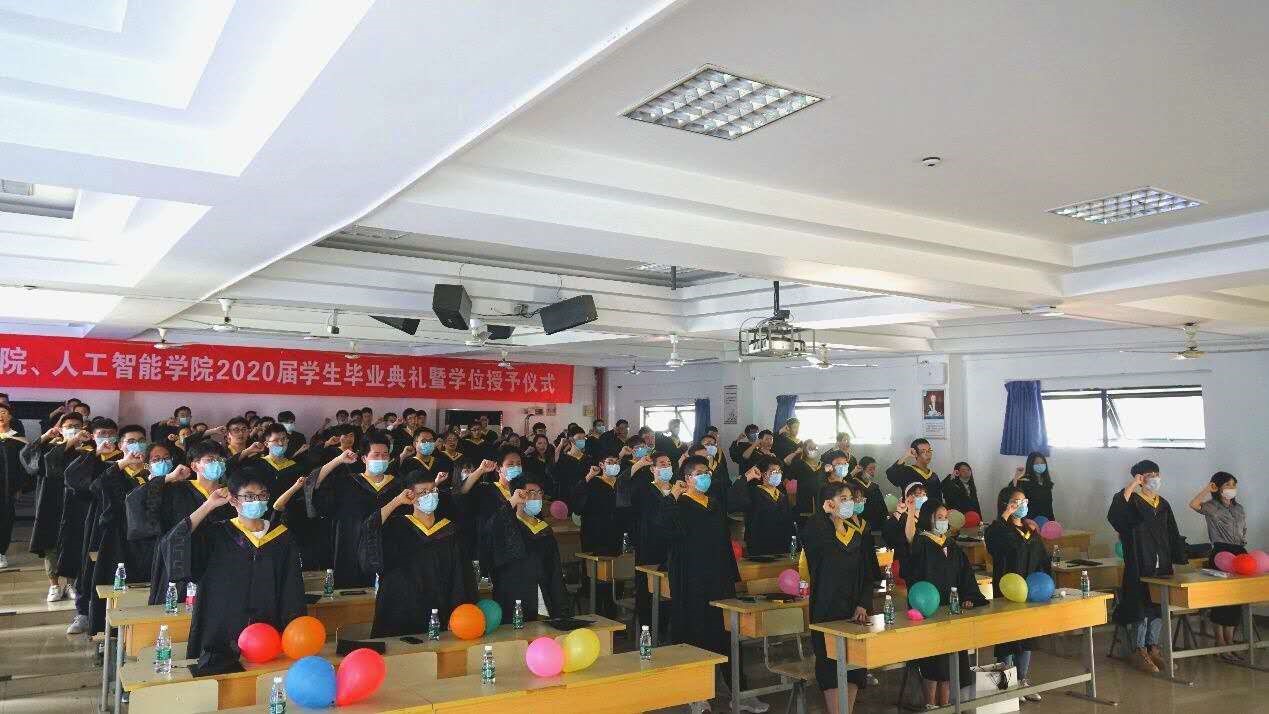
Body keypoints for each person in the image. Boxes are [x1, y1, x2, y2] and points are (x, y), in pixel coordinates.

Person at [159, 471, 305, 662]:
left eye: (262, 495)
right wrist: (209, 505)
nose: (257, 501)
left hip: (267, 631)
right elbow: (175, 540)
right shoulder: (217, 534)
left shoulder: (282, 538)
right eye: (249, 496)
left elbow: (292, 588)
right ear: (234, 500)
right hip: (221, 630)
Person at [659, 456, 765, 714]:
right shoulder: (679, 504)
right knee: (696, 632)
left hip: (719, 578)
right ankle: (697, 695)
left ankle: (739, 693)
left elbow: (724, 541)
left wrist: (731, 576)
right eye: (699, 473)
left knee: (727, 633)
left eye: (707, 471)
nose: (705, 476)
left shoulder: (713, 503)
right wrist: (671, 498)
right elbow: (665, 531)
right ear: (687, 479)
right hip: (692, 579)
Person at [358, 471, 470, 637]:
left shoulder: (449, 531)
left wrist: (457, 611)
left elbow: (460, 576)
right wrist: (396, 501)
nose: (430, 495)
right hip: (400, 609)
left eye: (433, 490)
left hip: (438, 610)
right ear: (411, 496)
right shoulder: (396, 527)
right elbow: (370, 527)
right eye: (423, 492)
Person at [803, 481, 879, 714]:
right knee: (831, 665)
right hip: (827, 609)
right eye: (843, 499)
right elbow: (817, 546)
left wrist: (863, 604)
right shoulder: (817, 530)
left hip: (854, 610)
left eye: (850, 499)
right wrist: (823, 516)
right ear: (829, 503)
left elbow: (867, 574)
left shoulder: (856, 535)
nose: (849, 503)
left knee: (855, 666)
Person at [130, 439, 235, 607]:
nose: (217, 463)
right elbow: (137, 500)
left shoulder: (230, 495)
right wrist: (169, 477)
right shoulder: (176, 490)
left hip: (217, 564)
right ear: (194, 466)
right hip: (179, 561)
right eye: (210, 460)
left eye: (220, 459)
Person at [906, 499, 988, 708]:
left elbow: (965, 576)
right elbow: (912, 570)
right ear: (929, 519)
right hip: (931, 611)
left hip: (952, 608)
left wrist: (969, 597)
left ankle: (946, 706)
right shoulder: (921, 543)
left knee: (951, 660)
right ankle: (931, 705)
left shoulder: (951, 545)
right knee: (933, 662)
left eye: (945, 517)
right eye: (939, 517)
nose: (943, 521)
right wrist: (911, 510)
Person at [1107, 460, 1186, 673]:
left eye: (1157, 474)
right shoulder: (1132, 500)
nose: (1155, 478)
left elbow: (1172, 531)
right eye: (1150, 475)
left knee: (1158, 607)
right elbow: (1115, 515)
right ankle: (1139, 649)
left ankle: (1154, 648)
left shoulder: (1163, 503)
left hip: (1162, 563)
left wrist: (1177, 556)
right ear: (1140, 478)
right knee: (1141, 607)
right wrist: (1133, 484)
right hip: (1140, 563)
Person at [83, 425, 153, 634]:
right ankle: (112, 635)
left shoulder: (153, 471)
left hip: (149, 542)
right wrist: (123, 463)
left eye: (141, 440)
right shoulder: (113, 471)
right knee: (119, 587)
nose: (137, 445)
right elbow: (95, 488)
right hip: (120, 541)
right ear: (120, 445)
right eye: (131, 441)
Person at [310, 433, 403, 587]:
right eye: (376, 455)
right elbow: (314, 484)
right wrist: (338, 460)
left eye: (385, 455)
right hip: (351, 552)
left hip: (389, 554)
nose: (381, 459)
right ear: (364, 458)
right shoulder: (346, 484)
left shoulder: (398, 486)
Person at [984, 488, 1049, 702]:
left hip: (1030, 591)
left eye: (1023, 501)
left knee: (1026, 636)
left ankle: (1022, 681)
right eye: (1016, 502)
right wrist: (1005, 514)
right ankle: (1006, 683)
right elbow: (992, 543)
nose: (1021, 506)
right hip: (1008, 591)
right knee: (1007, 636)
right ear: (1006, 504)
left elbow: (1042, 559)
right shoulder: (1000, 529)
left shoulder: (1031, 530)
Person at [62, 418, 122, 634]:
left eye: (111, 433)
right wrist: (96, 453)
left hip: (118, 525)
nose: (107, 438)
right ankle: (83, 614)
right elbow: (73, 480)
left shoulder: (126, 459)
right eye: (102, 433)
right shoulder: (86, 457)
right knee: (87, 569)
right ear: (93, 436)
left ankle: (113, 618)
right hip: (89, 521)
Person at [19, 413, 88, 600]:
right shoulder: (50, 448)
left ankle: (71, 583)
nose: (73, 429)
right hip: (50, 503)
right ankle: (54, 585)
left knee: (74, 542)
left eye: (77, 425)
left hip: (76, 504)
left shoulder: (86, 451)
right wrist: (45, 436)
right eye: (68, 426)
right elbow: (27, 456)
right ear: (61, 429)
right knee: (51, 544)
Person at [485, 473, 571, 622]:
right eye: (531, 493)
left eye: (539, 493)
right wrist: (511, 502)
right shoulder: (507, 525)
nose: (536, 498)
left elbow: (555, 569)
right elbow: (490, 529)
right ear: (518, 495)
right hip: (514, 595)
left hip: (542, 594)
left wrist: (561, 607)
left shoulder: (544, 529)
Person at [1189, 472, 1247, 660]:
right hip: (1222, 553)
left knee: (1236, 599)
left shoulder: (1239, 508)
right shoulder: (1212, 506)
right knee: (1222, 598)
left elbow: (1243, 530)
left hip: (1239, 552)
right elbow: (1193, 504)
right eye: (1227, 485)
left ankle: (1230, 641)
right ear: (1218, 486)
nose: (1232, 488)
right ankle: (1220, 642)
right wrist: (1208, 488)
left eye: (1234, 485)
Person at [630, 450, 675, 641]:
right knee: (647, 592)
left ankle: (666, 630)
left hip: (672, 548)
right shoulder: (645, 491)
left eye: (669, 463)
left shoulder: (678, 488)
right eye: (662, 464)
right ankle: (646, 632)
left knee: (670, 591)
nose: (666, 467)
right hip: (650, 547)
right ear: (652, 469)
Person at [0, 403, 30, 571]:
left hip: (7, 488)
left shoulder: (18, 439)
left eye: (3, 412)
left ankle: (1, 552)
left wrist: (20, 486)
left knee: (5, 519)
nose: (0, 415)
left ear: (10, 416)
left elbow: (23, 466)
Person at [882, 482, 927, 571]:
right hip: (905, 564)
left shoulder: (926, 517)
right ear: (907, 497)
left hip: (922, 562)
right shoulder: (902, 516)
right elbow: (887, 534)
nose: (922, 497)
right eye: (918, 495)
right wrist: (898, 513)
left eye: (924, 494)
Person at [886, 438, 941, 504]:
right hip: (911, 509)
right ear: (915, 453)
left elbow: (938, 499)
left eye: (929, 450)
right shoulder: (907, 471)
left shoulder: (933, 476)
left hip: (931, 510)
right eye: (923, 451)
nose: (928, 454)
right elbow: (891, 475)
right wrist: (905, 456)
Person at [845, 457, 887, 535]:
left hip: (874, 524)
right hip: (858, 522)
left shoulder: (874, 487)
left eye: (874, 469)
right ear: (862, 469)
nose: (873, 471)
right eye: (870, 469)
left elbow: (882, 507)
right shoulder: (853, 484)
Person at [1011, 452, 1055, 521]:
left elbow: (1049, 506)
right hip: (1029, 521)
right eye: (1037, 463)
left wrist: (1052, 521)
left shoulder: (1047, 483)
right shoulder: (1024, 481)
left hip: (1046, 521)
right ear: (1030, 465)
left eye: (1042, 463)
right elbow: (1014, 497)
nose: (1040, 465)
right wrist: (1016, 477)